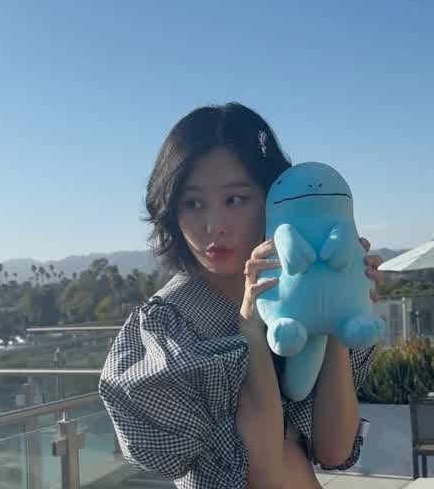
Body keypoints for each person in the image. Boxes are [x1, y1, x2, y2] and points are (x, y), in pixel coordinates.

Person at [99, 102, 383, 489]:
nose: (214, 226)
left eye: (235, 199)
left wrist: (336, 308)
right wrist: (249, 331)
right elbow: (263, 471)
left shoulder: (291, 291)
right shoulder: (172, 326)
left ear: (273, 197)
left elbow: (334, 449)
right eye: (193, 203)